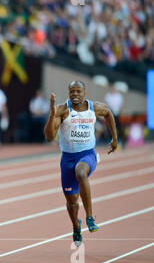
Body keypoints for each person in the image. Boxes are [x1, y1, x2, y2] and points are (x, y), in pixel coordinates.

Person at [44, 81, 118, 247]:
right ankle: (76, 226)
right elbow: (49, 136)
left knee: (81, 172)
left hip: (87, 155)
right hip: (67, 159)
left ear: (84, 93)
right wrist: (51, 115)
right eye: (72, 91)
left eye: (78, 91)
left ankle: (90, 217)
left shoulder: (94, 107)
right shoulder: (63, 110)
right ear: (68, 93)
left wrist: (115, 138)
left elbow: (108, 113)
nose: (75, 94)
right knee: (71, 203)